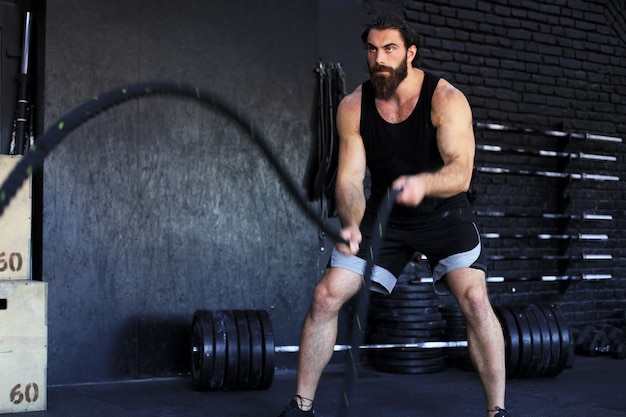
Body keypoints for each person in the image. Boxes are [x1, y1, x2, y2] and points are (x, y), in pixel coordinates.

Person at [277, 13, 510, 417]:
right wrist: (350, 223)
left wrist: (424, 184)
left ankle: (497, 412)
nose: (379, 58)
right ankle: (301, 407)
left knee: (474, 299)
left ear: (410, 53)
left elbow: (460, 172)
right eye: (372, 49)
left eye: (390, 49)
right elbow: (350, 182)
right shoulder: (353, 106)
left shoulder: (445, 99)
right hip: (386, 216)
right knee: (326, 296)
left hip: (443, 211)